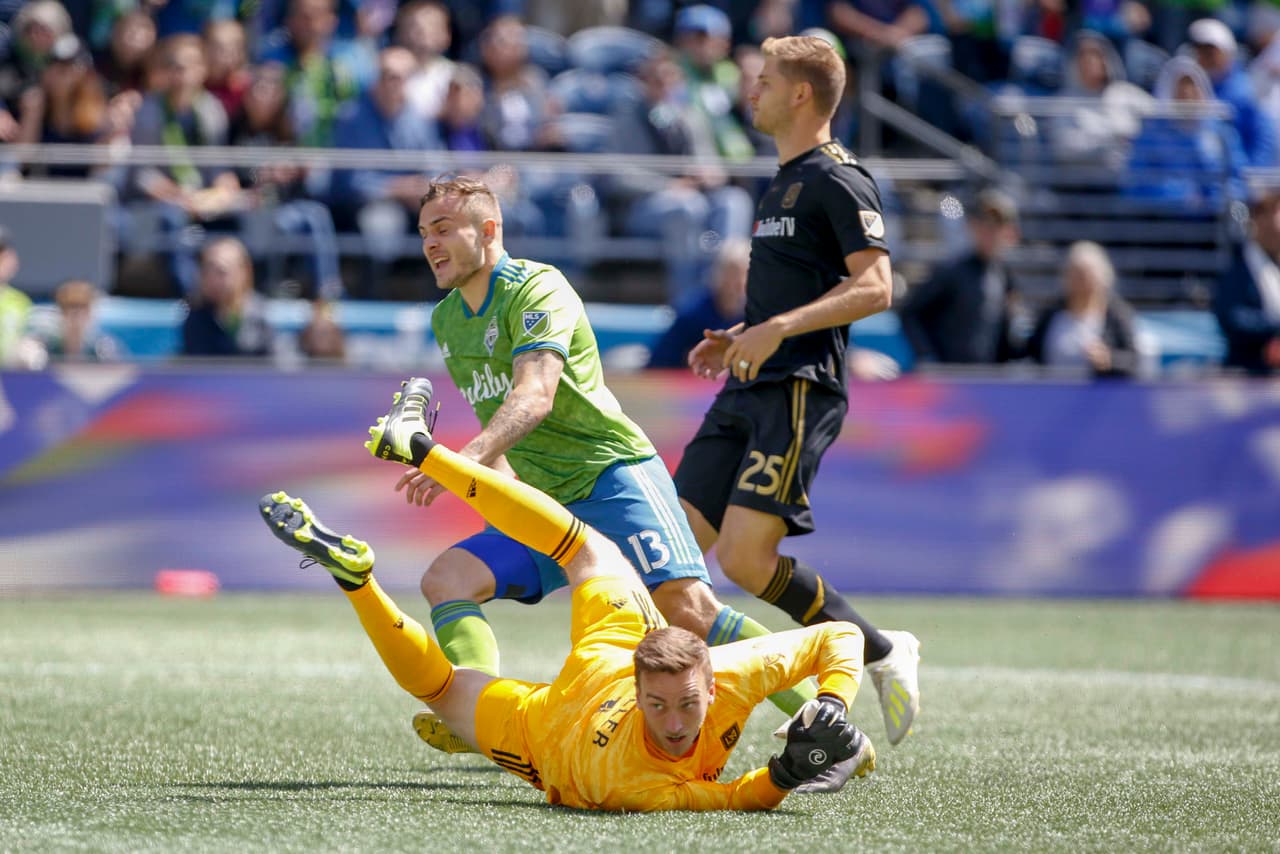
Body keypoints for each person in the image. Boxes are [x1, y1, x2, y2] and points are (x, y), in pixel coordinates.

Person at [395, 176, 863, 790]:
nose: (430, 243)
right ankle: (472, 713)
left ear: (488, 232)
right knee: (447, 578)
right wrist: (494, 494)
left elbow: (532, 398)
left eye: (444, 229)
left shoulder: (538, 288)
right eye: (425, 231)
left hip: (614, 476)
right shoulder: (448, 320)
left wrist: (460, 461)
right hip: (550, 503)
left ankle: (832, 731)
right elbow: (498, 422)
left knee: (688, 610)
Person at [260, 378, 875, 811]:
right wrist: (812, 733)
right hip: (582, 692)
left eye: (683, 704)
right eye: (659, 704)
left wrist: (801, 749)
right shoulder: (662, 758)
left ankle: (364, 567)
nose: (675, 723)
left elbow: (743, 788)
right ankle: (384, 524)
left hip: (564, 711)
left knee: (457, 671)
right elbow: (832, 648)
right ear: (644, 690)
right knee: (458, 669)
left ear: (710, 685)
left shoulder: (645, 768)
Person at [671, 35, 922, 748]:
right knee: (673, 553)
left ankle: (878, 649)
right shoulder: (778, 179)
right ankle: (652, 715)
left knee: (745, 562)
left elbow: (876, 287)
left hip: (800, 391)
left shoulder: (839, 178)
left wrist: (777, 329)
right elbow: (792, 293)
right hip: (748, 384)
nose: (752, 92)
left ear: (801, 94)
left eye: (764, 80)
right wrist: (741, 335)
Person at [896, 188, 1025, 366]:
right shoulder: (952, 271)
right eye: (985, 225)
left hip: (989, 380)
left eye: (998, 226)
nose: (991, 233)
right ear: (972, 226)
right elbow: (911, 314)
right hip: (952, 378)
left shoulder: (1004, 276)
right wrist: (928, 357)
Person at [1024, 241, 1141, 378]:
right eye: (1076, 274)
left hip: (1100, 397)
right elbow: (1031, 354)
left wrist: (1110, 360)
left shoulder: (1117, 315)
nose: (1081, 282)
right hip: (1052, 394)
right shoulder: (1049, 313)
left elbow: (1133, 360)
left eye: (1086, 275)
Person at [647, 237, 749, 369]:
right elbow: (659, 364)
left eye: (738, 277)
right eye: (727, 275)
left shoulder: (761, 316)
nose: (731, 285)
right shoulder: (692, 314)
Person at [1213, 184, 1280, 375]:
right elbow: (1232, 317)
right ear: (1258, 220)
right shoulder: (1238, 267)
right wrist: (1274, 330)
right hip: (1247, 373)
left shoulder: (1275, 266)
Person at [181, 236, 274, 357]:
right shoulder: (195, 319)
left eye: (221, 272)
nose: (212, 280)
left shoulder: (261, 315)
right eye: (206, 272)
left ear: (244, 272)